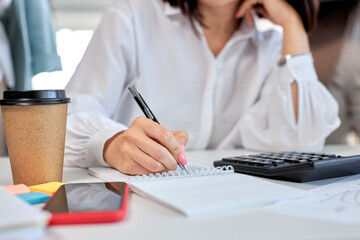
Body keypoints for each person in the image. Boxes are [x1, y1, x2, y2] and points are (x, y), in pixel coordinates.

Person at [65, 0, 340, 175]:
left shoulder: (273, 47)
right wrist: (112, 144)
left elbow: (301, 144)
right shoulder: (131, 18)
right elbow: (63, 121)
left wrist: (292, 24)